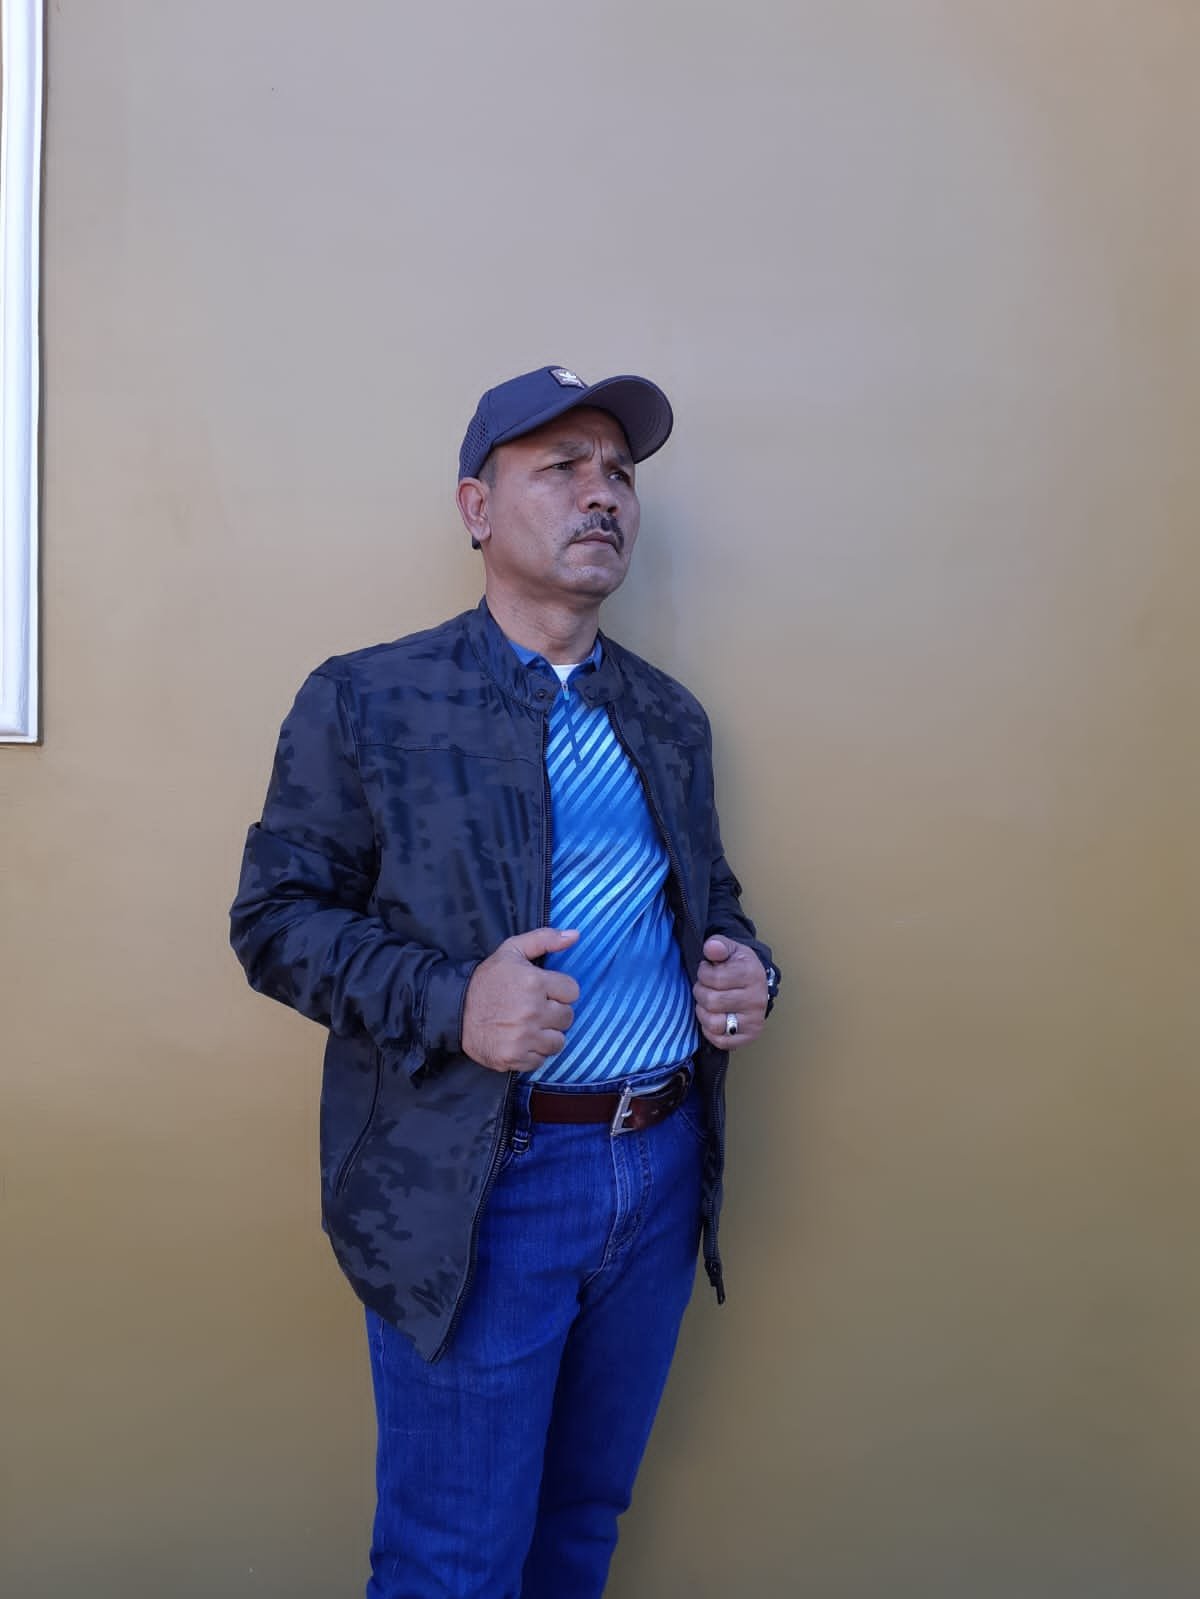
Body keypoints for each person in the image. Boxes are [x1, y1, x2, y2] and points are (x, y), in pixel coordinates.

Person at [230, 363, 780, 1598]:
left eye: (621, 475)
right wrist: (454, 1003)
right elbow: (273, 921)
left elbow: (713, 903)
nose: (604, 495)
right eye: (563, 468)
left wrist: (747, 972)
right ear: (477, 508)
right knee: (456, 1561)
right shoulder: (367, 698)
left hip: (659, 1167)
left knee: (581, 1526)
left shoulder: (668, 717)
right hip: (486, 1184)